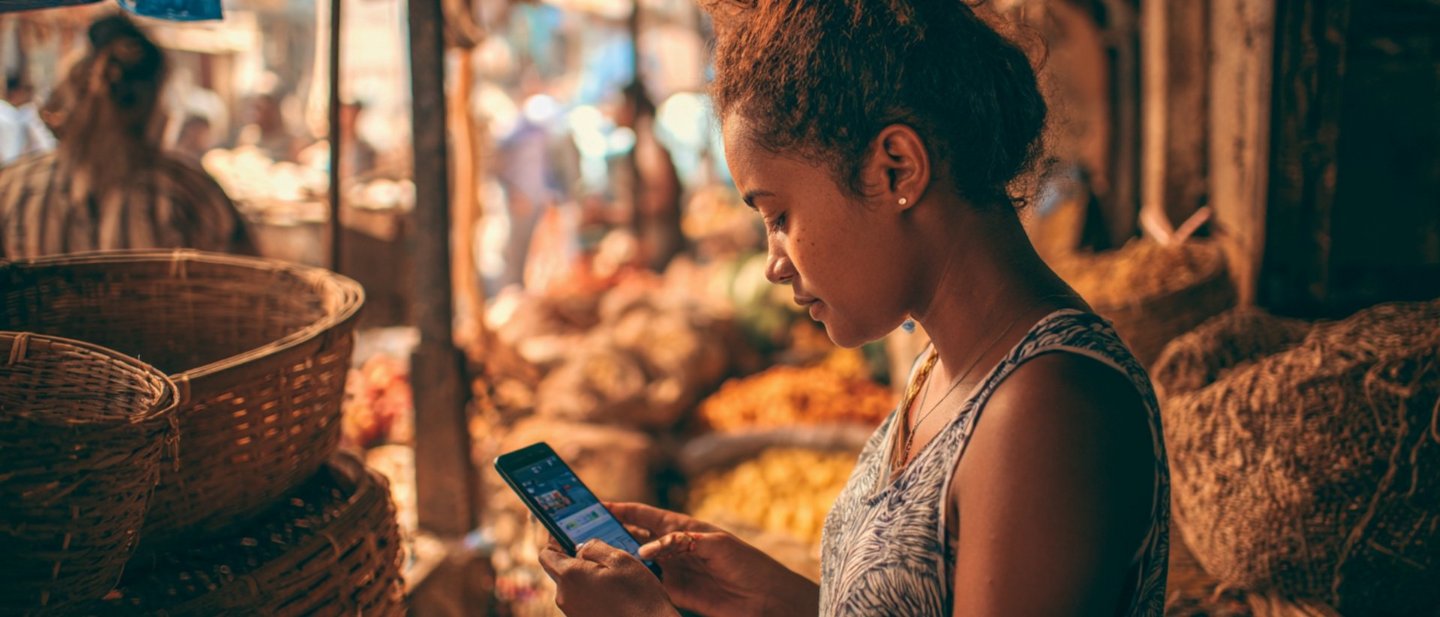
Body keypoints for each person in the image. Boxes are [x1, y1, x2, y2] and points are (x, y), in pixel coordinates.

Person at [537, 1, 1170, 616]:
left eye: (780, 216)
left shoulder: (1048, 411)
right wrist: (775, 601)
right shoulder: (944, 368)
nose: (773, 262)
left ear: (897, 169)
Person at [0, 14, 253, 259]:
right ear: (155, 104)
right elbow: (249, 283)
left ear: (70, 95)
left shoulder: (13, 189)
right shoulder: (190, 192)